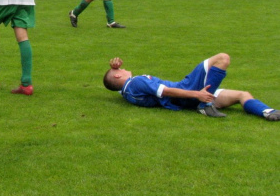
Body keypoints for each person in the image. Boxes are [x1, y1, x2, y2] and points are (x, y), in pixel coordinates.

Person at [103, 53, 280, 120]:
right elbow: (166, 91)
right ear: (118, 76)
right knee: (222, 58)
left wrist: (114, 69)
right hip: (187, 91)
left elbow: (115, 84)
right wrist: (198, 95)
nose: (125, 68)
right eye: (121, 70)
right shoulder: (135, 82)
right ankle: (205, 105)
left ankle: (268, 112)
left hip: (186, 100)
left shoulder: (127, 92)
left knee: (242, 94)